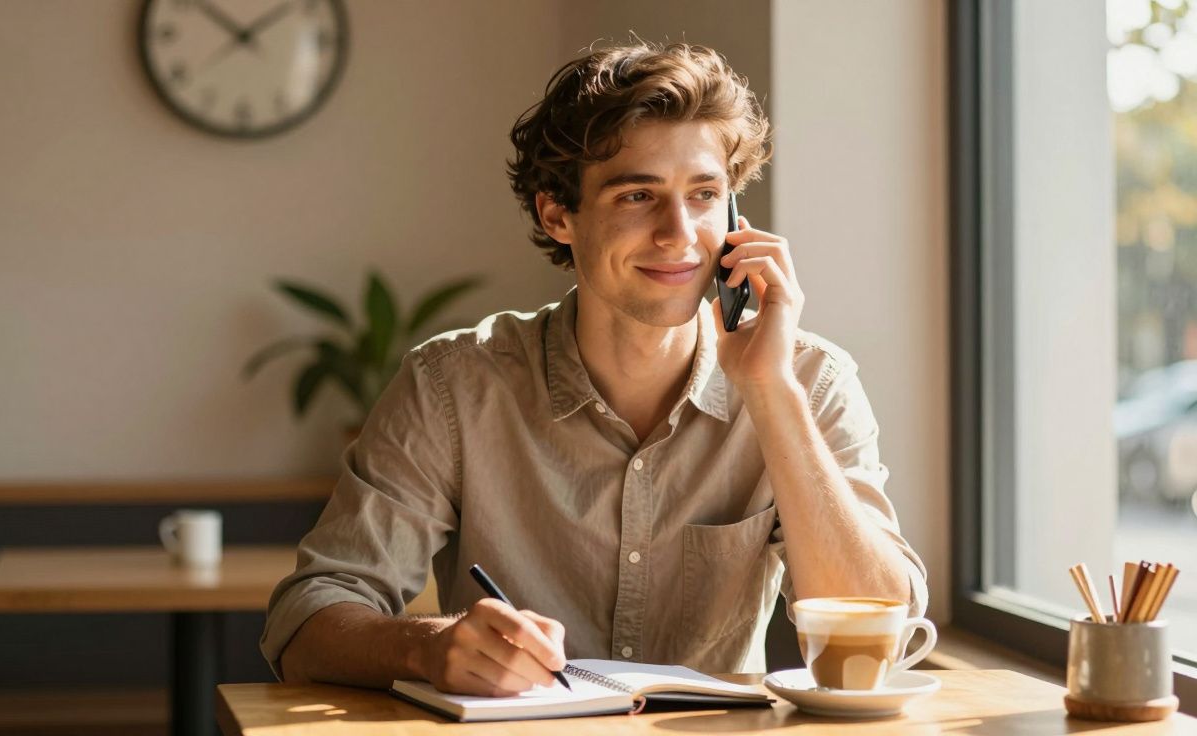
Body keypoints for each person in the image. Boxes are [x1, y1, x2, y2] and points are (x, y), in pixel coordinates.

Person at [261, 40, 928, 697]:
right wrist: (430, 646)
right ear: (558, 215)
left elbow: (883, 632)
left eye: (703, 194)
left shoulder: (808, 380)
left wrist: (772, 391)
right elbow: (305, 620)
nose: (678, 232)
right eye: (638, 197)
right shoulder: (452, 387)